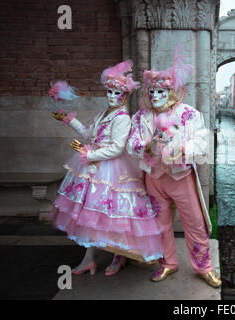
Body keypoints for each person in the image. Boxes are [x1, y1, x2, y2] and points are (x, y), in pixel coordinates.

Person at [49, 60, 163, 276]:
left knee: (115, 218)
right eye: (109, 92)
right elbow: (89, 134)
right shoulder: (104, 114)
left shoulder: (122, 118)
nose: (111, 96)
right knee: (91, 219)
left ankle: (119, 256)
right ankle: (89, 259)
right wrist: (69, 121)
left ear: (125, 96)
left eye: (116, 93)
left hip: (112, 171)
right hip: (93, 168)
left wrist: (88, 154)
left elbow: (118, 148)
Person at [126, 44, 221, 287]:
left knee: (195, 223)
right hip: (153, 178)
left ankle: (204, 267)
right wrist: (146, 147)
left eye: (161, 92)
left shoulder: (189, 114)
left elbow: (202, 142)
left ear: (172, 92)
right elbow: (131, 143)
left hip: (180, 177)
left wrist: (183, 150)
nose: (155, 96)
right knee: (160, 223)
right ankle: (168, 263)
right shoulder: (140, 117)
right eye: (152, 92)